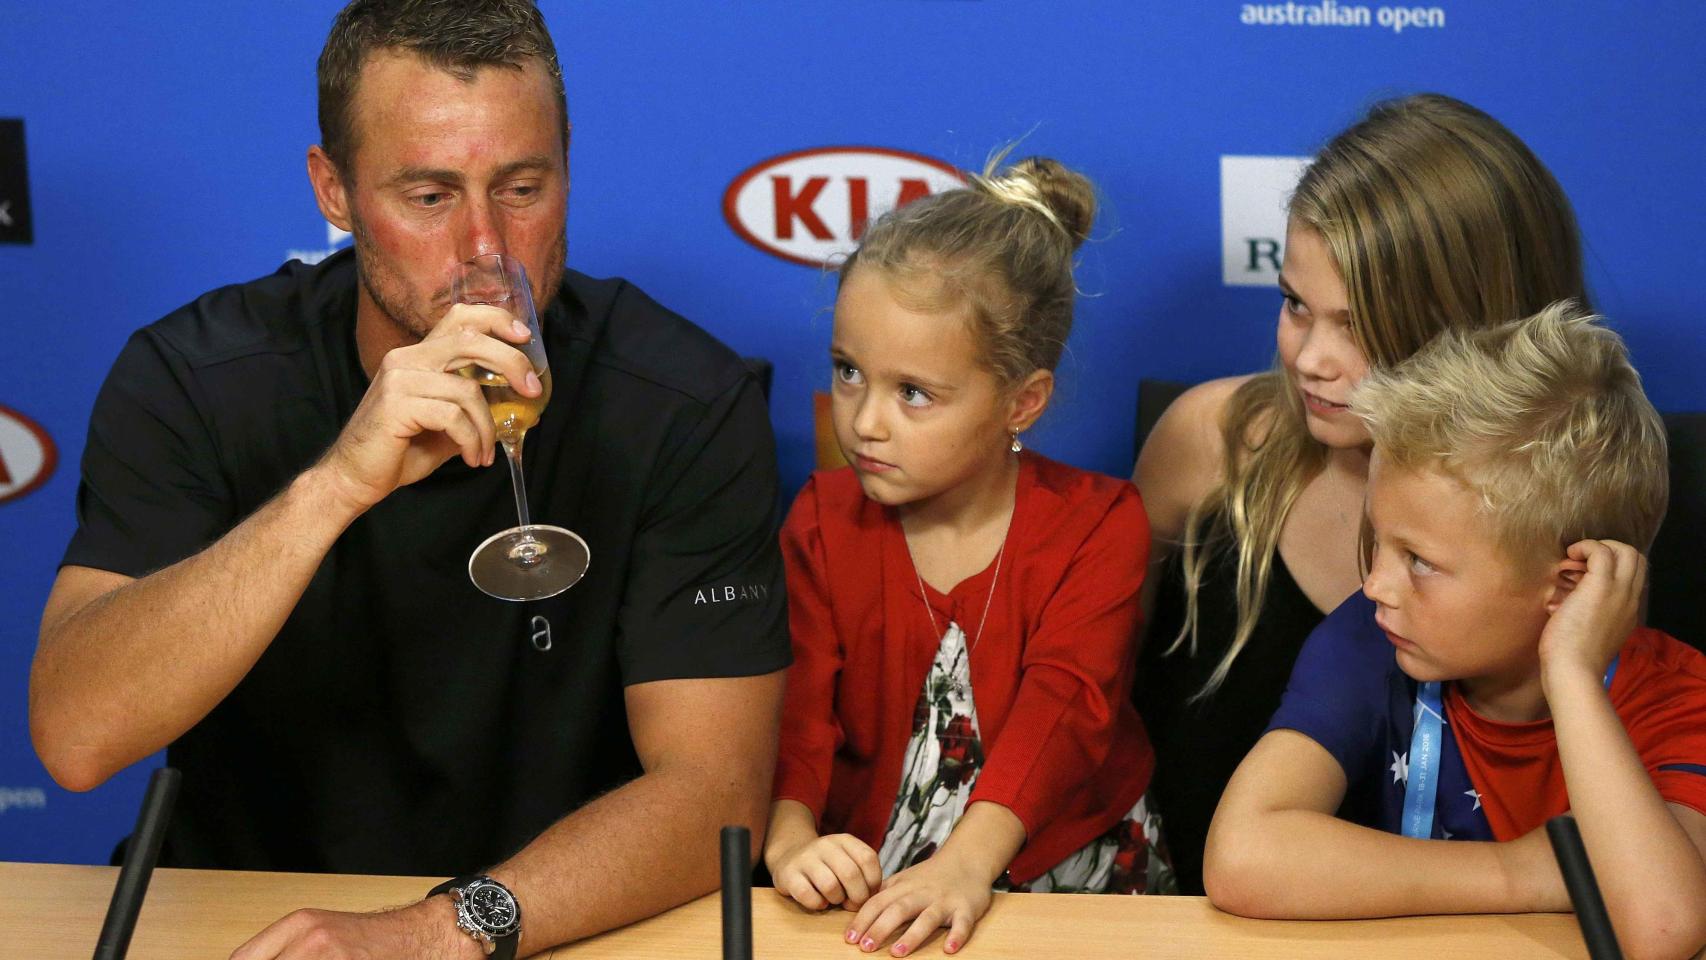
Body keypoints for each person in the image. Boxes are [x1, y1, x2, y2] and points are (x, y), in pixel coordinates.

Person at [29, 1, 789, 957]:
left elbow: (715, 799)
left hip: (560, 927)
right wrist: (335, 487)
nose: (485, 248)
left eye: (522, 187)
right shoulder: (196, 378)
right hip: (245, 925)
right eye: (429, 197)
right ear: (333, 190)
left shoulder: (684, 401)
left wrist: (439, 931)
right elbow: (77, 735)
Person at [1131, 93, 1590, 895]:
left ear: (1480, 322)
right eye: (1295, 305)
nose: (1311, 359)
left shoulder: (1569, 506)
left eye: (1360, 324)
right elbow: (1086, 704)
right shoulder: (1207, 443)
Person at [1202, 304, 1706, 960]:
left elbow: (1664, 930)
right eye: (1379, 540)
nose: (1376, 584)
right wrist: (1524, 873)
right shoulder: (1369, 639)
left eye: (1419, 561)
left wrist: (1573, 677)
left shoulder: (1678, 698)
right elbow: (1242, 857)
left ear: (1568, 586)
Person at [766, 155, 1171, 960]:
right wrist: (788, 841)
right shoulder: (821, 518)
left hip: (1067, 876)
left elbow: (1067, 710)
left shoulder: (1101, 523)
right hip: (875, 891)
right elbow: (800, 713)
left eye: (913, 392)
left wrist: (964, 866)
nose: (866, 422)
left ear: (1023, 400)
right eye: (849, 373)